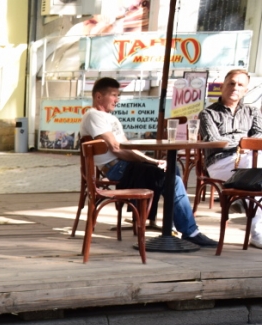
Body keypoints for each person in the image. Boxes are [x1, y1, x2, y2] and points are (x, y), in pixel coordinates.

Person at [79, 77, 217, 247]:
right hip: (116, 168)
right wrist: (149, 160)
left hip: (125, 165)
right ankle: (190, 231)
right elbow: (116, 148)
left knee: (172, 169)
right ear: (99, 97)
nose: (117, 99)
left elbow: (126, 147)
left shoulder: (109, 118)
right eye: (114, 95)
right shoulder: (94, 115)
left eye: (118, 95)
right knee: (171, 181)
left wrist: (153, 161)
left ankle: (172, 225)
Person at [199, 69, 262, 248]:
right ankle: (257, 232)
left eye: (240, 85)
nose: (235, 87)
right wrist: (244, 142)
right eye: (231, 83)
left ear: (246, 90)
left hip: (249, 158)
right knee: (256, 169)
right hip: (220, 161)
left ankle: (243, 200)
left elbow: (259, 136)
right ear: (222, 87)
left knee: (256, 170)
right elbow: (214, 141)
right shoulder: (208, 113)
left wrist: (244, 144)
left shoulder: (252, 112)